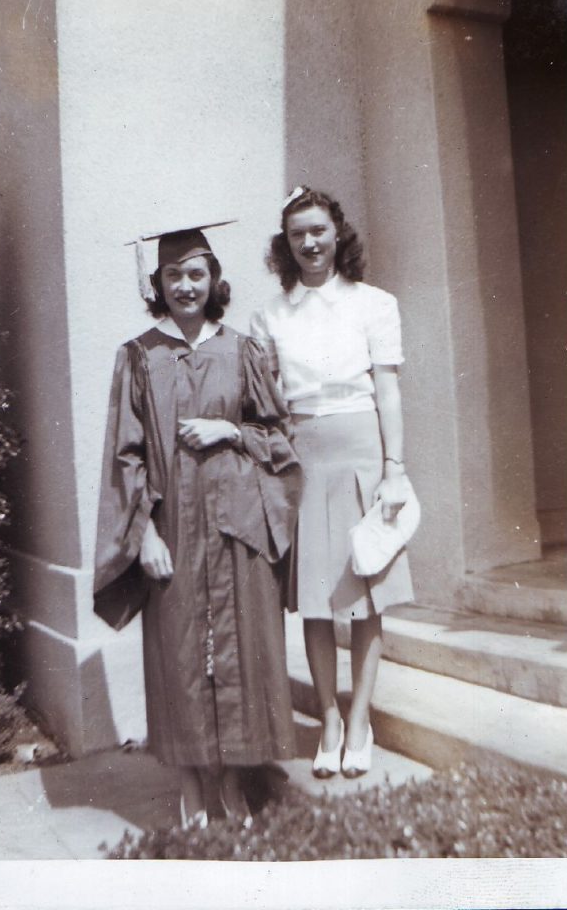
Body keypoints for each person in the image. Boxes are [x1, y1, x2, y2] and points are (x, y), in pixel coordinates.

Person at [93, 223, 301, 829]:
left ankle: (233, 786)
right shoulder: (138, 356)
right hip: (173, 532)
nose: (185, 285)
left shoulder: (242, 350)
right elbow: (123, 456)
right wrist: (144, 536)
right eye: (173, 275)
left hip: (237, 528)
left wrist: (230, 430)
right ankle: (190, 786)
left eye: (196, 274)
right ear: (156, 283)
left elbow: (279, 438)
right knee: (181, 657)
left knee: (241, 658)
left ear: (214, 280)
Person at [250, 186, 414, 779]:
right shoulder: (269, 316)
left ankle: (361, 718)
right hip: (304, 454)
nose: (310, 243)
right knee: (318, 601)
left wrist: (394, 467)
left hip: (364, 451)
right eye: (298, 235)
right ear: (285, 245)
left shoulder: (375, 303)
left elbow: (388, 390)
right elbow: (266, 400)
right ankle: (329, 719)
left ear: (337, 233)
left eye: (318, 230)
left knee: (367, 595)